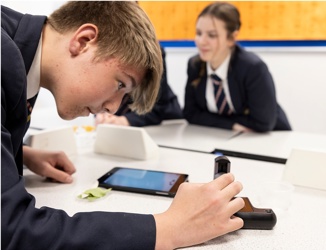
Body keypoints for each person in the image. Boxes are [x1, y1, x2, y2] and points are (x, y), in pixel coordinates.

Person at [1, 2, 245, 250]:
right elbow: (10, 230)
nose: (113, 108)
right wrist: (169, 228)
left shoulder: (20, 55)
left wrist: (22, 155)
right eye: (121, 84)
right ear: (83, 41)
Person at [183, 2, 291, 133]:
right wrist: (231, 125)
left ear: (232, 38)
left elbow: (263, 123)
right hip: (224, 136)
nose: (201, 41)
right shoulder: (194, 64)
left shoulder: (252, 68)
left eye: (212, 35)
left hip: (271, 137)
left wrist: (213, 120)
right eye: (199, 33)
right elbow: (190, 113)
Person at [95, 46, 183, 127]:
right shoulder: (104, 48)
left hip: (164, 123)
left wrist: (125, 120)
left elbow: (157, 108)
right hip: (119, 126)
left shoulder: (152, 52)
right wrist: (101, 113)